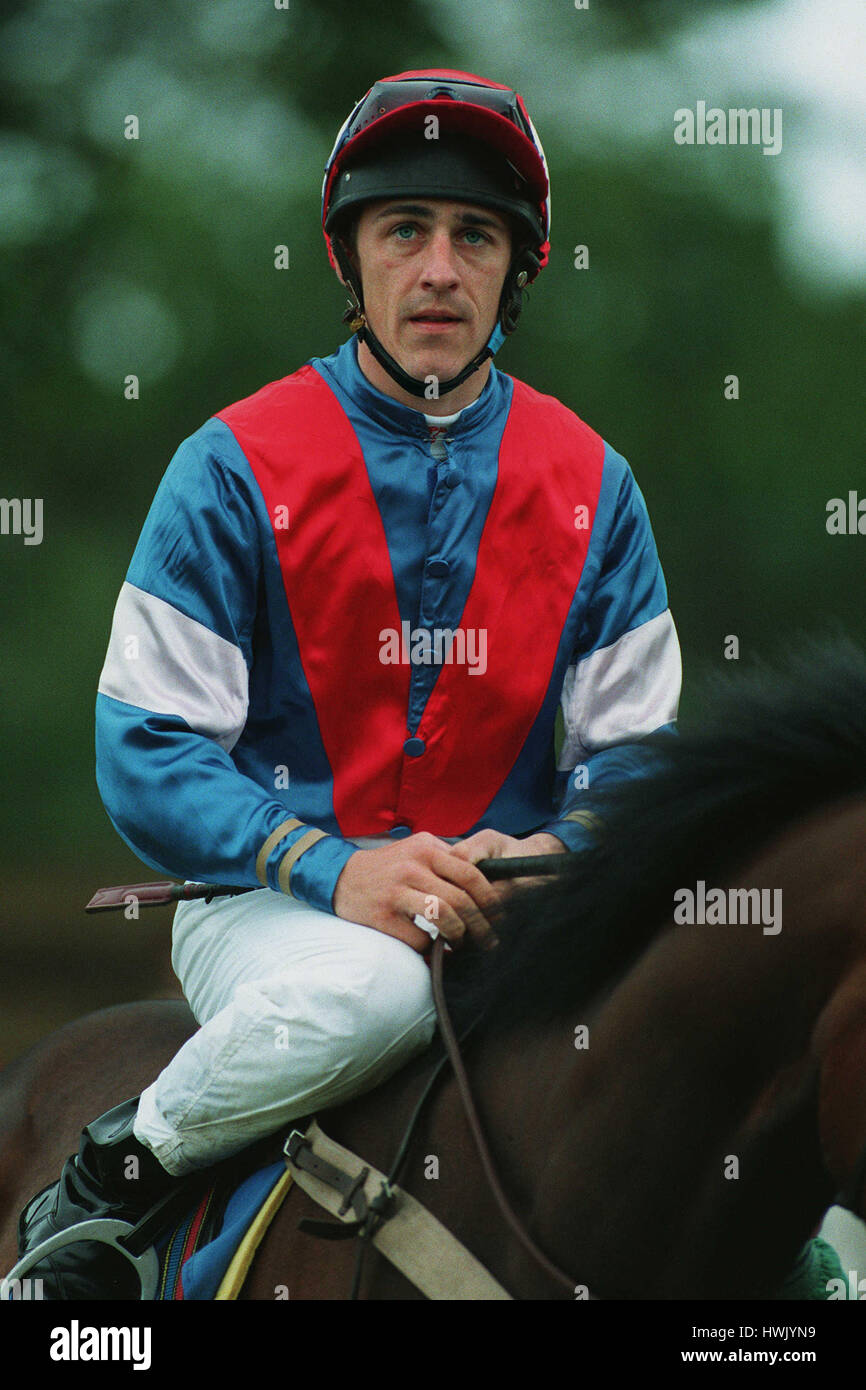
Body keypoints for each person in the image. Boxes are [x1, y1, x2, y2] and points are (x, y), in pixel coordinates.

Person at [14, 69, 681, 1298]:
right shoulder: (228, 465)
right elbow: (147, 745)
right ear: (349, 257)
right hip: (270, 908)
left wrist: (543, 858)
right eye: (404, 231)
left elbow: (638, 765)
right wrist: (336, 867)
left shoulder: (598, 484)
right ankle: (105, 1189)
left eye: (473, 235)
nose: (438, 268)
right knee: (378, 988)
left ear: (513, 269)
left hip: (510, 920)